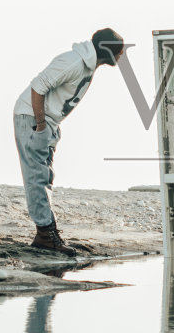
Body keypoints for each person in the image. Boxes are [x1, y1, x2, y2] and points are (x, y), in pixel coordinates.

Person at [13, 26, 124, 253]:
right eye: (119, 52)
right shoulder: (74, 61)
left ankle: (47, 231)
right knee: (37, 177)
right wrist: (42, 124)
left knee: (44, 177)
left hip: (47, 122)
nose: (122, 56)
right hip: (32, 118)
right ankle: (45, 234)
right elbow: (38, 86)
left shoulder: (87, 64)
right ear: (108, 51)